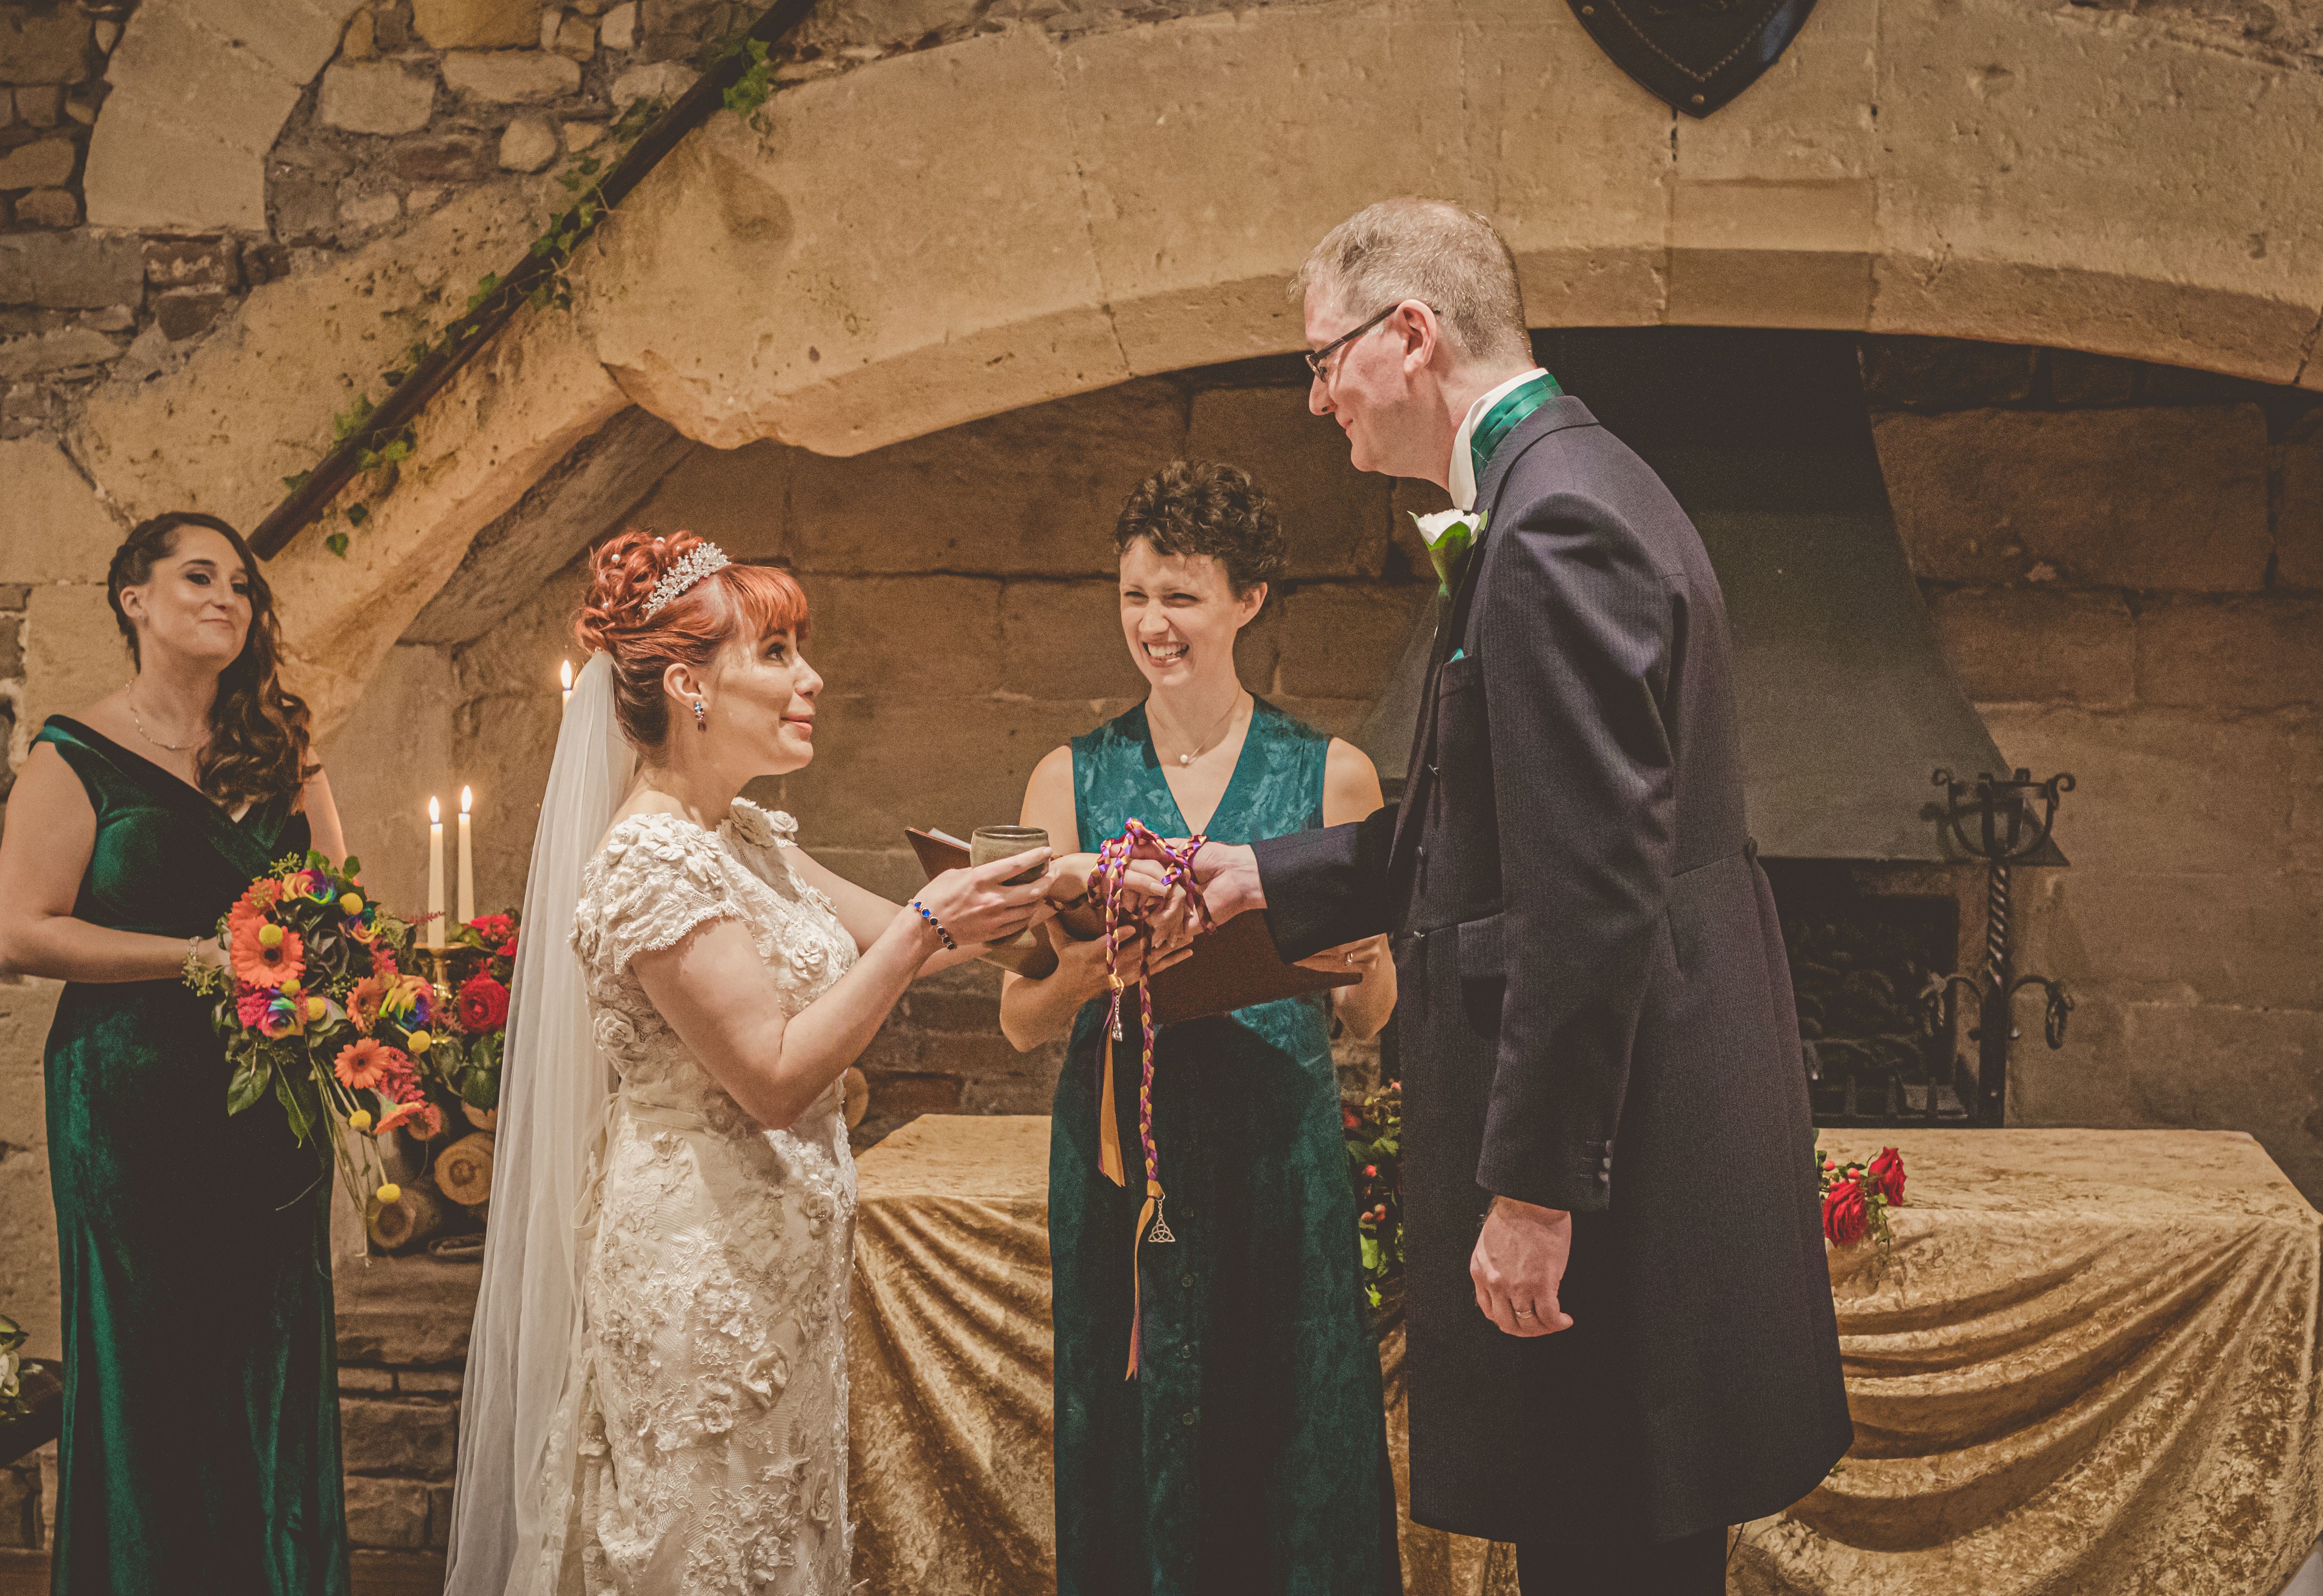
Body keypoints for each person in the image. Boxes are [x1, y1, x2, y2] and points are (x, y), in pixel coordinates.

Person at [1149, 199, 1853, 1592]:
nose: (1315, 398)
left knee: (1608, 1556)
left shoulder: (1552, 529)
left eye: (1323, 358)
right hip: (1642, 1131)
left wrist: (1536, 1188)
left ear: (1410, 335)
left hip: (1611, 1170)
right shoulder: (1569, 483)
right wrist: (1264, 874)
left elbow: (1590, 892)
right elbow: (1503, 821)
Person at [446, 530, 1061, 1596]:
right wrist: (926, 924)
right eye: (775, 652)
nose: (809, 677)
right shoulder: (647, 859)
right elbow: (772, 1077)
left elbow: (921, 930)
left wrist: (1082, 890)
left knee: (778, 1534)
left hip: (779, 1269)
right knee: (702, 1543)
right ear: (688, 684)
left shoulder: (745, 835)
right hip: (700, 1271)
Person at [1000, 462, 1402, 1596]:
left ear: (1248, 600)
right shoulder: (1066, 777)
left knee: (1292, 1430)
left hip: (1279, 1157)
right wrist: (1090, 967)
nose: (1151, 623)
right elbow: (1021, 1019)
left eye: (1179, 595)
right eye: (1133, 594)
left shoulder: (1333, 775)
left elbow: (1372, 1017)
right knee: (1127, 1434)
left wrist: (1365, 962)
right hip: (1123, 1173)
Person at [0, 512, 351, 1594]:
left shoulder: (283, 745)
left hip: (270, 1105)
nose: (227, 598)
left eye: (242, 584)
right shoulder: (75, 752)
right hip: (132, 1101)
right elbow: (20, 931)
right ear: (133, 599)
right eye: (198, 576)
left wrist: (354, 989)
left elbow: (337, 913)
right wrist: (202, 958)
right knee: (154, 1366)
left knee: (269, 1356)